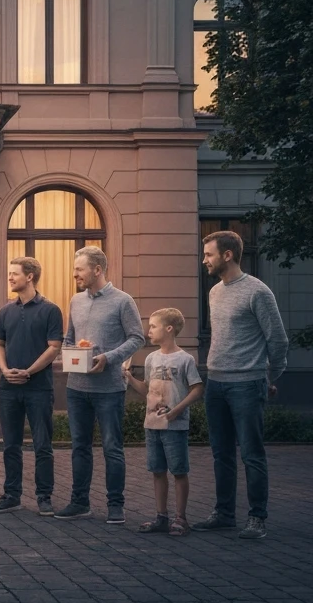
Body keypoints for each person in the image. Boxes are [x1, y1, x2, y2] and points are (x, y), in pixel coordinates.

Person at [195, 230, 289, 540]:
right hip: (216, 383)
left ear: (227, 255)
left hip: (247, 385)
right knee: (221, 453)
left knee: (251, 453)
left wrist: (268, 377)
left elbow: (277, 339)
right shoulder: (215, 292)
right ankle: (224, 514)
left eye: (208, 254)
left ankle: (256, 518)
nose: (204, 259)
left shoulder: (257, 292)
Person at [56, 246, 144, 525]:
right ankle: (80, 502)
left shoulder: (123, 301)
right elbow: (69, 338)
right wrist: (69, 352)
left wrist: (109, 357)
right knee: (79, 446)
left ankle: (115, 505)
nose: (74, 274)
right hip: (77, 387)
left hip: (109, 389)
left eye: (79, 269)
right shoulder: (75, 301)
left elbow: (137, 338)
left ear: (97, 270)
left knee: (112, 448)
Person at [0, 257, 63, 516]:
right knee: (10, 444)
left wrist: (29, 372)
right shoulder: (5, 311)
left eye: (14, 274)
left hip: (38, 387)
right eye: (9, 273)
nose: (10, 278)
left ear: (30, 276)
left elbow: (54, 347)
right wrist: (5, 370)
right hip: (8, 386)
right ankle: (12, 495)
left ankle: (44, 496)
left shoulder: (50, 310)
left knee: (42, 444)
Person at [124, 308, 203, 536]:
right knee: (157, 470)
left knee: (178, 471)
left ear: (169, 329)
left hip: (174, 426)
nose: (149, 331)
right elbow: (147, 389)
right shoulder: (151, 358)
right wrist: (129, 378)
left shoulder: (185, 359)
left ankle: (181, 518)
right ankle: (161, 516)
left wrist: (177, 410)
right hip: (152, 424)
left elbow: (197, 388)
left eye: (153, 326)